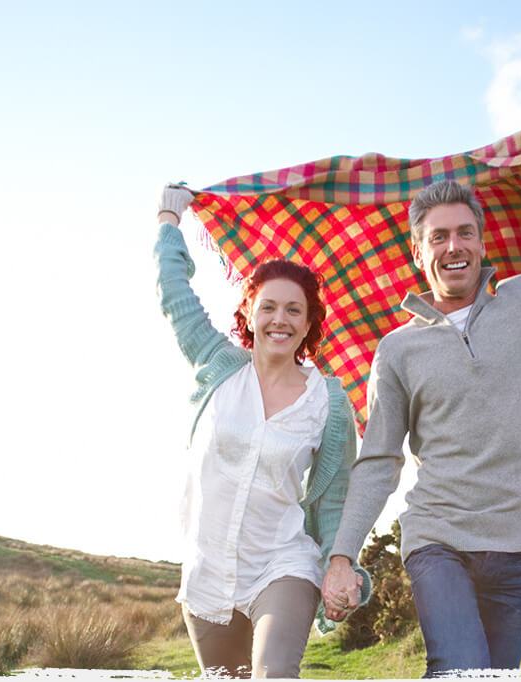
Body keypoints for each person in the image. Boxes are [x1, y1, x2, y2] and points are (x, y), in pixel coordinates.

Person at [320, 100, 521, 676]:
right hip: (437, 538)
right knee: (460, 667)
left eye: (466, 233)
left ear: (482, 241)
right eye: (440, 237)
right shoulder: (397, 349)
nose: (455, 246)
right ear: (419, 252)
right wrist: (343, 555)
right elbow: (379, 459)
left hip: (520, 545)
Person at [155, 186, 371, 678]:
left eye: (294, 310)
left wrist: (340, 564)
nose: (280, 319)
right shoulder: (220, 367)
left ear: (310, 322)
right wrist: (169, 218)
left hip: (282, 564)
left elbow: (335, 500)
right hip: (208, 576)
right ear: (249, 312)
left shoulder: (329, 403)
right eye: (269, 306)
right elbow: (174, 294)